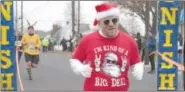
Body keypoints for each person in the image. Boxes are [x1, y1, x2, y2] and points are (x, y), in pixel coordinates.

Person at [69, 3, 144, 91]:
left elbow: (136, 61)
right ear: (99, 23)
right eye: (106, 21)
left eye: (114, 20)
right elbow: (75, 59)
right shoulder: (87, 40)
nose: (111, 24)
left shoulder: (130, 41)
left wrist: (138, 68)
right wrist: (80, 68)